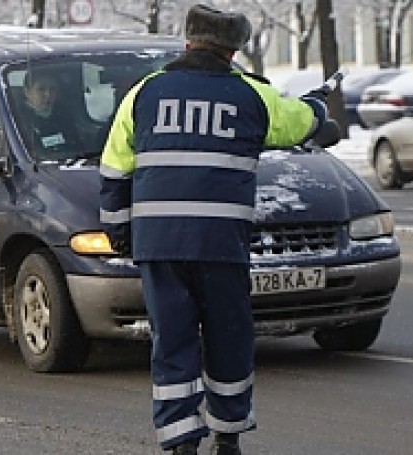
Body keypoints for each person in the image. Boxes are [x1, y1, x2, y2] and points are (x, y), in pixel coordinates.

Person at [99, 4, 328, 455]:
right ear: (232, 51)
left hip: (159, 245)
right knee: (228, 334)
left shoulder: (145, 92)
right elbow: (297, 121)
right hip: (220, 243)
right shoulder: (250, 95)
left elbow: (114, 168)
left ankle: (180, 438)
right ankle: (228, 435)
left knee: (173, 338)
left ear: (187, 42)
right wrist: (320, 112)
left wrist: (119, 231)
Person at [16, 69, 82, 160]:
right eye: (41, 89)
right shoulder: (16, 119)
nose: (48, 95)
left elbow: (77, 147)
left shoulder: (64, 115)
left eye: (52, 89)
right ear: (26, 92)